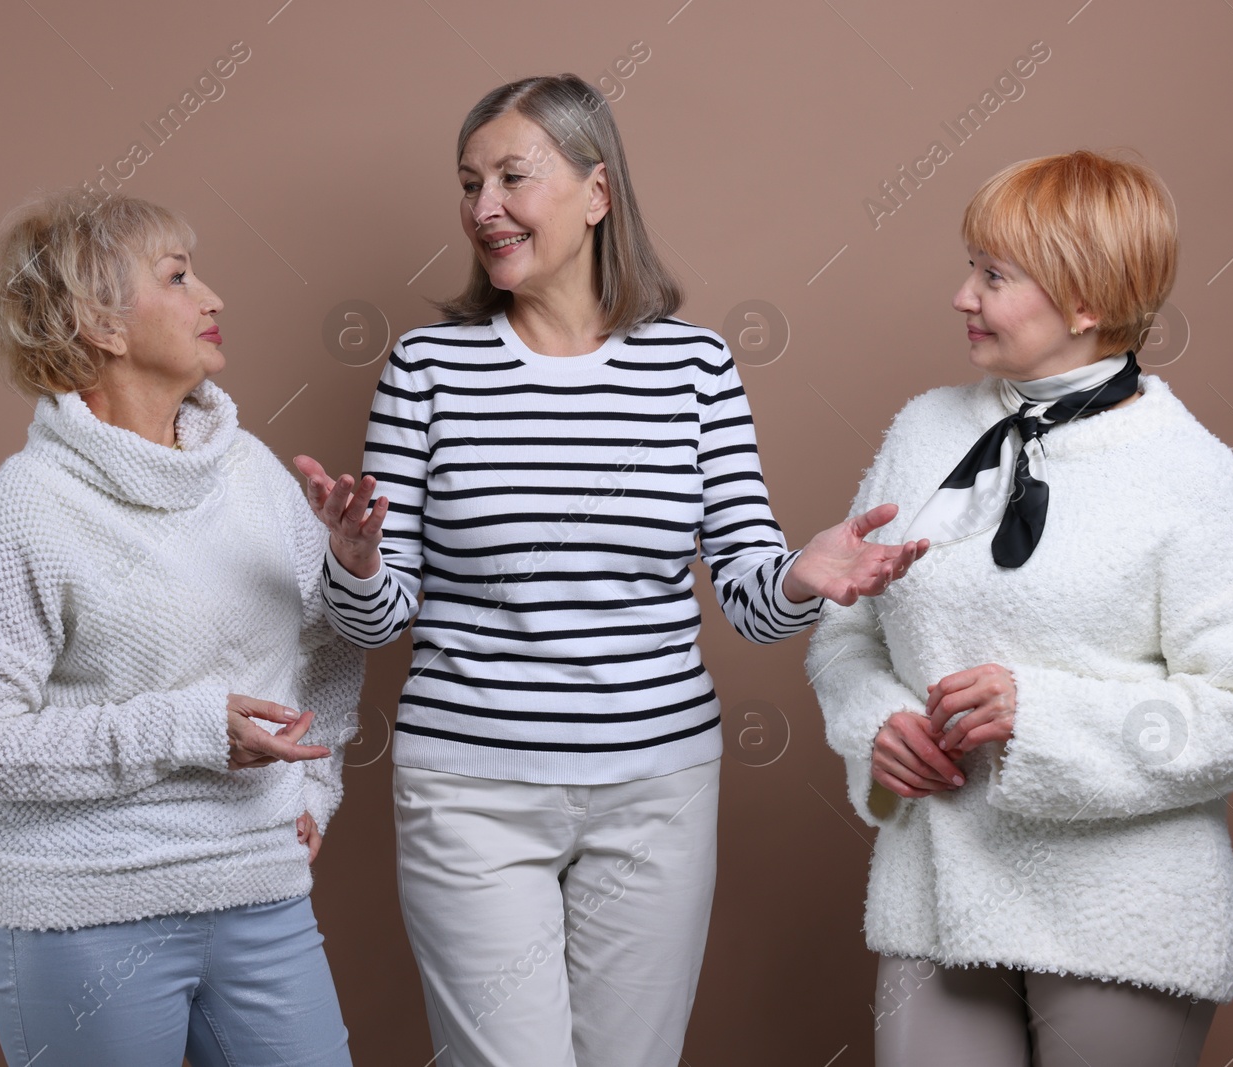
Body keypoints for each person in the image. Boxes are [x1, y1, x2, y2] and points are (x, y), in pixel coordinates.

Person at [293, 75, 927, 1067]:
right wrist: (356, 561)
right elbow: (379, 622)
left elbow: (752, 600)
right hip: (470, 789)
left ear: (596, 192)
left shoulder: (696, 368)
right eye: (469, 183)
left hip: (657, 789)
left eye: (512, 176)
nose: (483, 207)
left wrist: (803, 573)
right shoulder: (426, 369)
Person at [807, 151, 1233, 1067]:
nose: (962, 295)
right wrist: (877, 724)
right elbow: (848, 632)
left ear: (1085, 302)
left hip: (1128, 918)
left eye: (994, 275)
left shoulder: (1191, 473)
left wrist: (1040, 715)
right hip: (936, 900)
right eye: (970, 266)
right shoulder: (922, 431)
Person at [0, 191, 361, 1067]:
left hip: (259, 890)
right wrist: (191, 731)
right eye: (178, 276)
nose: (214, 298)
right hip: (83, 913)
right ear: (101, 325)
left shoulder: (250, 472)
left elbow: (327, 637)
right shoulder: (28, 509)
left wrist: (318, 787)